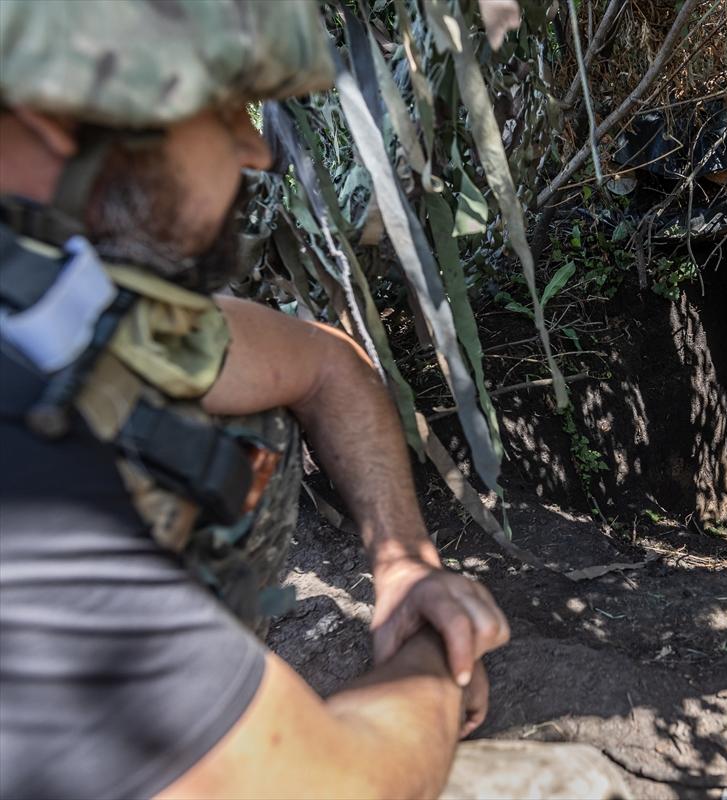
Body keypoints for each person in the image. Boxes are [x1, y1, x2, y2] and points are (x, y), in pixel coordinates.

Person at [0, 2, 521, 797]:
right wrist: (436, 655)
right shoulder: (24, 470)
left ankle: (198, 686)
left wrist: (406, 567)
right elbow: (336, 787)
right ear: (60, 117)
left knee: (243, 413)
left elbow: (324, 363)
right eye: (218, 106)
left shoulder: (55, 310)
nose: (257, 150)